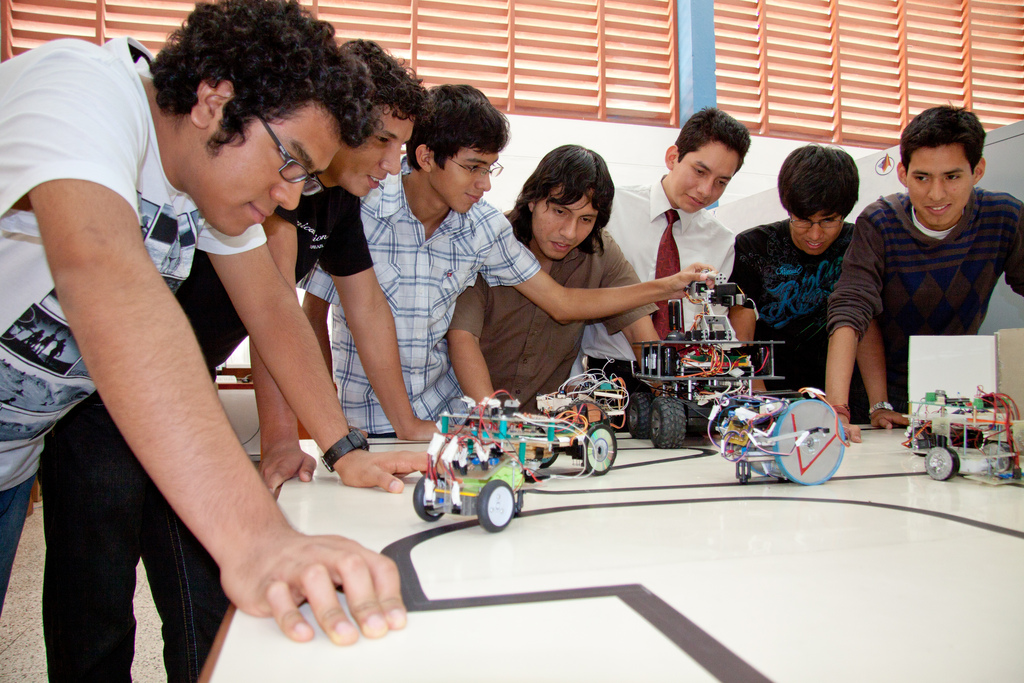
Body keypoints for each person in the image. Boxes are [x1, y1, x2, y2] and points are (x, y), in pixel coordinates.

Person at [0, 0, 405, 657]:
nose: (293, 196)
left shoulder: (198, 184)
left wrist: (345, 449)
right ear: (214, 103)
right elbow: (102, 267)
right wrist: (256, 541)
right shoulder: (83, 89)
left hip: (9, 459)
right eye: (290, 162)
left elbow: (272, 310)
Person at [301, 84, 716, 434]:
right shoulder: (359, 206)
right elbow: (311, 315)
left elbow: (561, 302)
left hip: (442, 424)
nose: (484, 184)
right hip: (360, 425)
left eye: (491, 169)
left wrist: (669, 285)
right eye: (473, 167)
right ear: (426, 157)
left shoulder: (482, 229)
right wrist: (328, 421)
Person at [257, 39, 435, 491]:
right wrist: (281, 439)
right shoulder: (281, 180)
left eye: (401, 146)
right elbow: (271, 313)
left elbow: (368, 309)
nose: (392, 166)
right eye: (381, 140)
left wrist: (406, 423)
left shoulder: (338, 196)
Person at [826, 105, 1024, 442]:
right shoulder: (880, 222)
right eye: (922, 177)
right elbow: (850, 310)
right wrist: (837, 410)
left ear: (977, 171)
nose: (936, 194)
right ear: (903, 173)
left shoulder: (1004, 218)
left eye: (952, 177)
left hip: (960, 398)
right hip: (878, 404)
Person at [446, 144, 658, 411]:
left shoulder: (599, 251)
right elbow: (463, 338)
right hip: (465, 419)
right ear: (533, 199)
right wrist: (494, 421)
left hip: (542, 426)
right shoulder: (489, 241)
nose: (569, 232)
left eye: (586, 219)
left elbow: (639, 331)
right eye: (560, 211)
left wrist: (672, 399)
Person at [581, 107, 751, 393]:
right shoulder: (611, 208)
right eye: (700, 171)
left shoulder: (721, 240)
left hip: (687, 379)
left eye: (722, 182)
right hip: (610, 375)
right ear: (673, 157)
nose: (706, 191)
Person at [729, 145, 859, 394]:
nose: (815, 234)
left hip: (848, 401)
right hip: (772, 395)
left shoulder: (860, 245)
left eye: (829, 220)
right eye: (803, 220)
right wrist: (760, 401)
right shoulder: (754, 247)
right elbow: (742, 336)